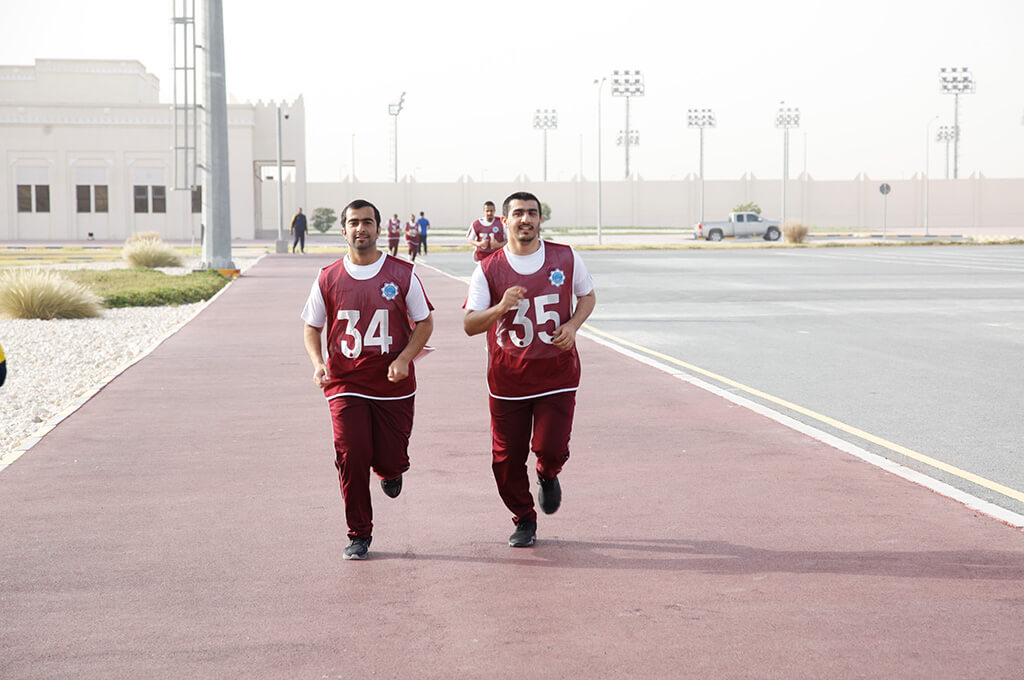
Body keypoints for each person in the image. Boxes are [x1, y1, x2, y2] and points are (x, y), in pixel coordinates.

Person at [302, 198, 434, 561]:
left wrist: (404, 358)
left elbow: (425, 322)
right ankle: (359, 532)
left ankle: (391, 471)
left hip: (393, 383)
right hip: (345, 382)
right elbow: (312, 327)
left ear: (379, 228)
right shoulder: (328, 277)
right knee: (351, 453)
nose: (360, 228)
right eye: (353, 222)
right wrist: (318, 363)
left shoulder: (402, 273)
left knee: (390, 458)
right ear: (344, 231)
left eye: (367, 222)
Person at [463, 191, 596, 548]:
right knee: (506, 460)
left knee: (551, 448)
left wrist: (572, 326)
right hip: (508, 379)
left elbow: (587, 296)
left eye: (532, 213)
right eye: (519, 213)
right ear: (504, 221)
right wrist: (500, 307)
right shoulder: (488, 269)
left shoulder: (565, 257)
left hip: (557, 373)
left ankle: (548, 473)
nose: (526, 219)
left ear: (540, 219)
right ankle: (523, 518)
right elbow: (470, 324)